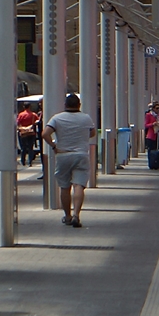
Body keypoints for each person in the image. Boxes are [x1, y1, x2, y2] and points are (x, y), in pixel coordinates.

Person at [42, 93, 95, 228]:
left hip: (63, 155)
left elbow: (45, 134)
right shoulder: (86, 118)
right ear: (79, 105)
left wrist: (54, 146)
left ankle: (67, 215)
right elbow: (92, 133)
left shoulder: (57, 118)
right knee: (79, 186)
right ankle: (77, 214)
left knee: (65, 187)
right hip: (81, 155)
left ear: (65, 105)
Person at [16, 102, 39, 166]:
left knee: (23, 148)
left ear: (24, 107)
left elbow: (18, 123)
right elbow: (37, 121)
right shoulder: (33, 115)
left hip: (23, 133)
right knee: (30, 147)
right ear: (29, 107)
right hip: (31, 133)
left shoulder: (21, 114)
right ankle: (30, 162)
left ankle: (23, 161)